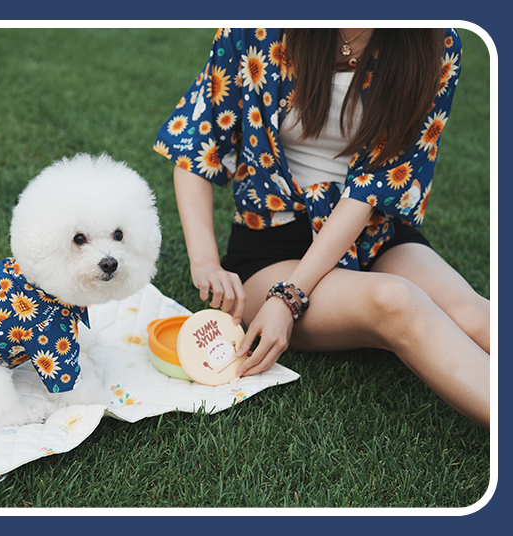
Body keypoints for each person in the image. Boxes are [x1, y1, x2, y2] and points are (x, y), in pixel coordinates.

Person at [154, 28, 490, 429]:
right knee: (397, 301)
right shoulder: (256, 27)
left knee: (474, 315)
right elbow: (197, 140)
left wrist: (290, 298)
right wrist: (206, 262)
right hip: (273, 243)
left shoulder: (436, 42)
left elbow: (373, 187)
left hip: (373, 231)